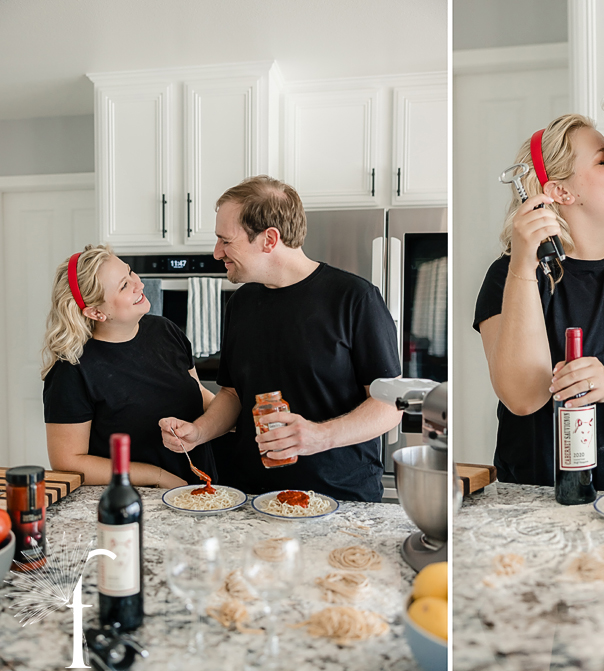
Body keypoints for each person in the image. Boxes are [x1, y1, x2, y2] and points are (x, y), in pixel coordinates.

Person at [474, 113, 604, 490]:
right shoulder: (508, 275)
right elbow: (523, 397)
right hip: (539, 499)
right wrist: (524, 263)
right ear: (561, 192)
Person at [159, 176, 403, 501]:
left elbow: (391, 404)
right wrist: (199, 431)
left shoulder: (354, 298)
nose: (217, 252)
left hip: (338, 499)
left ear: (269, 239)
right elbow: (233, 394)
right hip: (249, 497)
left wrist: (319, 436)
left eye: (226, 241)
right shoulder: (241, 302)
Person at [42, 245, 216, 487]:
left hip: (201, 488)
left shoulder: (165, 330)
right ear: (96, 312)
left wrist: (237, 419)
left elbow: (197, 392)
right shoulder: (72, 369)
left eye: (131, 272)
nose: (140, 284)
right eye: (124, 285)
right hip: (134, 499)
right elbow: (68, 461)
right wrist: (157, 477)